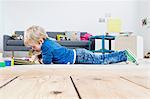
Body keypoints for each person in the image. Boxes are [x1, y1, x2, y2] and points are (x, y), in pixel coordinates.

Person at [24, 25, 138, 65]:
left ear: (40, 40)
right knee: (101, 58)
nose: (34, 49)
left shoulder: (46, 48)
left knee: (102, 60)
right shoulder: (49, 42)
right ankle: (122, 55)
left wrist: (38, 59)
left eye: (33, 47)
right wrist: (38, 55)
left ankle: (124, 55)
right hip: (78, 54)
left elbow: (47, 62)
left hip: (79, 56)